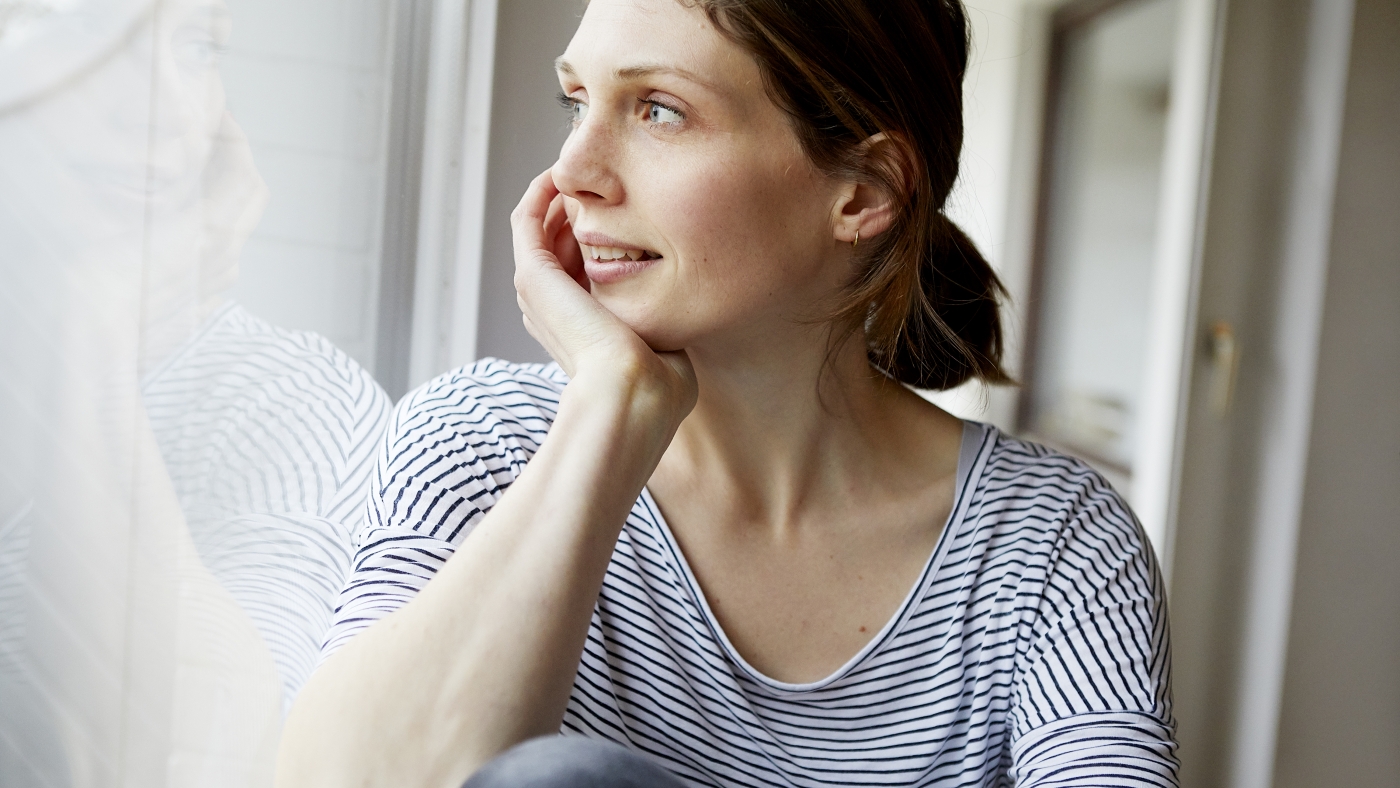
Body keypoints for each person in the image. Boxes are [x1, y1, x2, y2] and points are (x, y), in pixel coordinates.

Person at [277, 0, 1177, 785]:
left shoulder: (1055, 544)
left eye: (659, 110)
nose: (573, 173)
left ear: (863, 193)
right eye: (577, 101)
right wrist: (607, 415)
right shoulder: (477, 440)